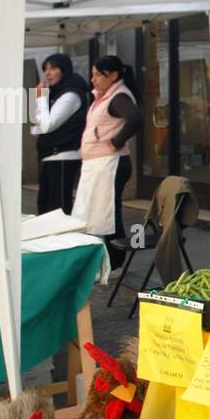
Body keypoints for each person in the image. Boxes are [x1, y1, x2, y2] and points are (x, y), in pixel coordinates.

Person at [80, 56, 140, 265]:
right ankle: (107, 260)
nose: (93, 79)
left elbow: (135, 118)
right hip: (99, 163)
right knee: (100, 213)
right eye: (93, 74)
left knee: (108, 214)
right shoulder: (103, 97)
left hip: (111, 163)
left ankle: (116, 261)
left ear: (113, 75)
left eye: (98, 74)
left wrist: (116, 141)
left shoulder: (118, 97)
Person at [31, 53, 88, 214]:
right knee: (45, 206)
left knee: (58, 209)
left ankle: (64, 239)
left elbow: (48, 124)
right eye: (45, 69)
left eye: (53, 68)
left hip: (63, 156)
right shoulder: (56, 93)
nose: (48, 73)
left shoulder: (70, 95)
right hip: (51, 156)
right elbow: (41, 123)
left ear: (64, 70)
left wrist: (41, 99)